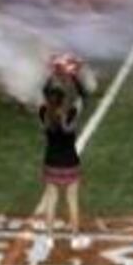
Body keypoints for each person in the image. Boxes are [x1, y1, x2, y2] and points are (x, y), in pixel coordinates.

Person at [33, 55, 87, 251]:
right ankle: (74, 237)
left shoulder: (43, 114)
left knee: (52, 200)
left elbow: (45, 92)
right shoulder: (70, 115)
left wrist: (54, 73)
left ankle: (49, 237)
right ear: (63, 99)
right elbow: (82, 97)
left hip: (51, 161)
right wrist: (72, 76)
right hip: (70, 161)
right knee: (72, 201)